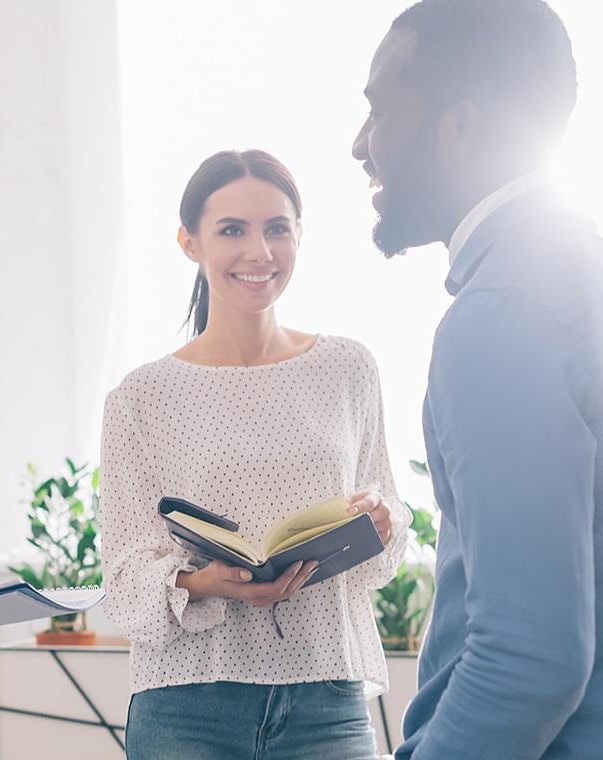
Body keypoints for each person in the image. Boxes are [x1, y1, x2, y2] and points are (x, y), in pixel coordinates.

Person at [352, 1, 603, 757]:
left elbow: (526, 664)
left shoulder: (499, 317)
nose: (360, 144)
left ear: (458, 128)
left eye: (378, 111)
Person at [100, 148, 409, 760]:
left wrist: (382, 518)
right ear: (190, 242)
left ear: (299, 235)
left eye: (276, 229)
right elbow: (124, 577)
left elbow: (388, 521)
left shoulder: (348, 369)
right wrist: (205, 581)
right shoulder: (140, 397)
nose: (259, 252)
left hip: (327, 696)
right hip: (188, 705)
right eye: (232, 230)